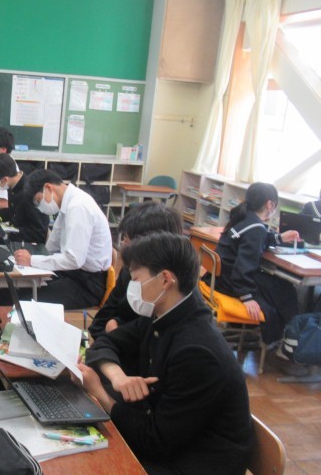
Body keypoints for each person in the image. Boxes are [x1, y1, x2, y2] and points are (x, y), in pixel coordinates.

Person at [80, 232, 253, 475]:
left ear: (165, 279)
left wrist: (100, 394)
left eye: (136, 279)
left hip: (192, 463)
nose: (132, 287)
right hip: (169, 443)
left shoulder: (197, 352)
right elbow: (105, 342)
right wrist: (117, 376)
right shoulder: (165, 314)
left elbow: (156, 442)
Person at [213, 182, 300, 345]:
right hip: (231, 283)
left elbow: (258, 237)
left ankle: (285, 335)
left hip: (218, 278)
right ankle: (291, 338)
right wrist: (247, 297)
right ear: (270, 205)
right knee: (286, 290)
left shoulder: (244, 217)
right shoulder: (256, 228)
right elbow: (242, 268)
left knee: (278, 288)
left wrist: (279, 238)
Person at [15, 169, 112, 309]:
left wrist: (31, 260)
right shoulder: (67, 203)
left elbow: (73, 259)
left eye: (39, 201)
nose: (40, 207)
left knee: (27, 299)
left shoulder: (78, 207)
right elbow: (52, 245)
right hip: (73, 274)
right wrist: (35, 259)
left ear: (48, 187)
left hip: (87, 285)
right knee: (24, 288)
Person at [88, 201, 183, 339]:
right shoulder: (129, 271)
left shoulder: (172, 297)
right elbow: (99, 324)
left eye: (127, 240)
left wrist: (116, 331)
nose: (123, 246)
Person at [0, 153, 49, 244]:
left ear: (5, 179)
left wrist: (8, 233)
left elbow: (39, 233)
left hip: (27, 246)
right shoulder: (13, 186)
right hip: (13, 241)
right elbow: (13, 212)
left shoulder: (31, 193)